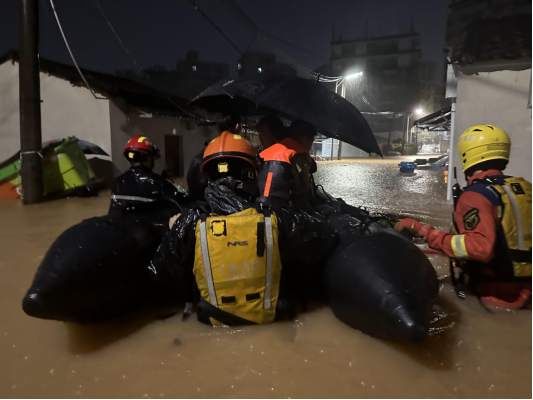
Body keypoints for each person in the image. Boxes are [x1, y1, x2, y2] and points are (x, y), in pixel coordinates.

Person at [395, 124, 531, 309]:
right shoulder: (524, 188)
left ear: (468, 154)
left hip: (495, 296)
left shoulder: (476, 196)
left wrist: (423, 230)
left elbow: (479, 248)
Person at [108, 134, 187, 223]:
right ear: (147, 158)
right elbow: (183, 201)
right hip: (149, 233)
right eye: (152, 158)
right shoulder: (158, 183)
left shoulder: (118, 182)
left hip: (122, 230)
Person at [256, 117, 318, 210]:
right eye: (311, 139)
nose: (312, 142)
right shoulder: (297, 154)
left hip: (263, 206)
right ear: (303, 138)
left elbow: (268, 184)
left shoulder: (271, 151)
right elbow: (302, 189)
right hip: (280, 211)